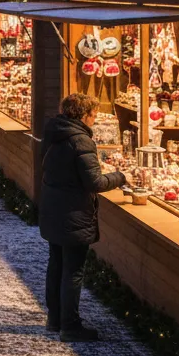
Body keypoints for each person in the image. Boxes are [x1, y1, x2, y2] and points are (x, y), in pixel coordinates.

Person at [40, 93, 127, 342]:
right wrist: (120, 177)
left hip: (53, 208)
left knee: (56, 264)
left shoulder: (54, 133)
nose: (95, 119)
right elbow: (95, 182)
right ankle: (71, 325)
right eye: (94, 115)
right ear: (84, 115)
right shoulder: (81, 141)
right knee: (73, 271)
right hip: (74, 213)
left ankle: (55, 319)